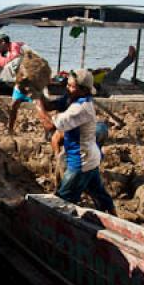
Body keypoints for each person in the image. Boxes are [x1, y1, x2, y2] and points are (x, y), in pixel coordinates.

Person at [35, 69, 116, 214]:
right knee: (100, 195)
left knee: (61, 201)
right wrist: (39, 92)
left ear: (83, 90)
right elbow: (50, 105)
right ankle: (113, 218)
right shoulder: (72, 98)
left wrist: (37, 104)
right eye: (68, 85)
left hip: (80, 162)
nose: (67, 88)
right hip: (91, 157)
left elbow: (49, 125)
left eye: (71, 86)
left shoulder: (80, 109)